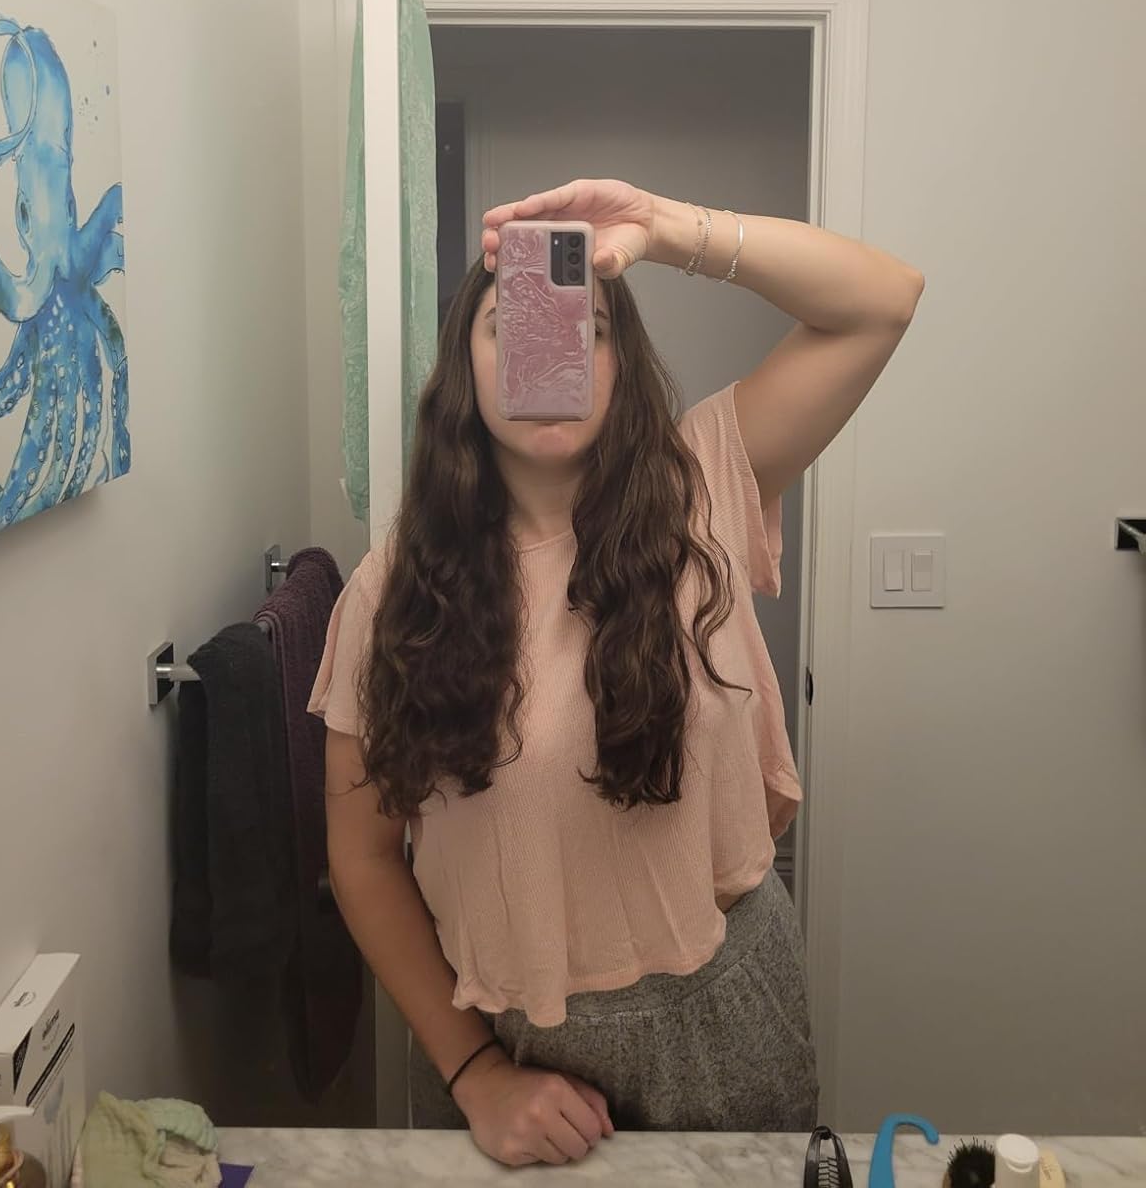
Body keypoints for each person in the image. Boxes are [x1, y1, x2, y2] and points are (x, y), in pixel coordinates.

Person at [310, 178, 923, 1167]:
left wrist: (668, 229)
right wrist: (476, 1072)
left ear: (621, 362)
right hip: (507, 1046)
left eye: (584, 329)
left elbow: (882, 300)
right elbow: (364, 857)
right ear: (463, 371)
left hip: (729, 1012)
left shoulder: (703, 481)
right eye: (511, 326)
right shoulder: (391, 593)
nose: (550, 348)